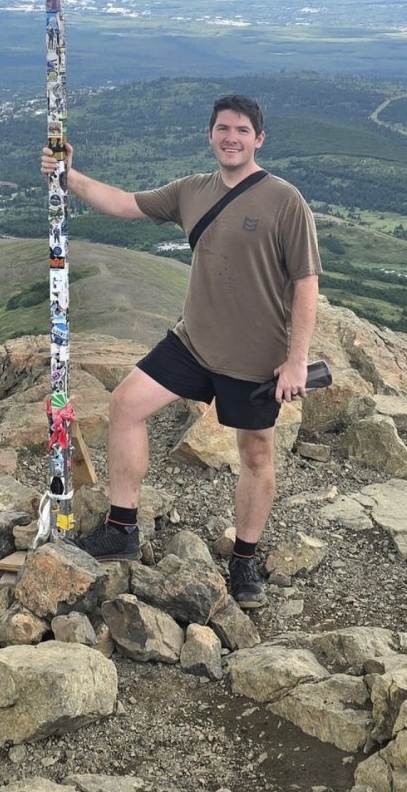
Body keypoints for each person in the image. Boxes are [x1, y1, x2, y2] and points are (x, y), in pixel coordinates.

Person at [40, 93, 321, 608]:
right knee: (126, 404)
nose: (231, 137)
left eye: (241, 130)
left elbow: (306, 282)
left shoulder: (285, 201)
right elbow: (125, 204)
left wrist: (296, 358)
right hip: (192, 342)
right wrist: (69, 176)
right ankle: (122, 529)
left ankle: (244, 561)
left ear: (259, 139)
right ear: (210, 135)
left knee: (255, 453)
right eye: (222, 129)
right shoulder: (192, 191)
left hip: (255, 358)